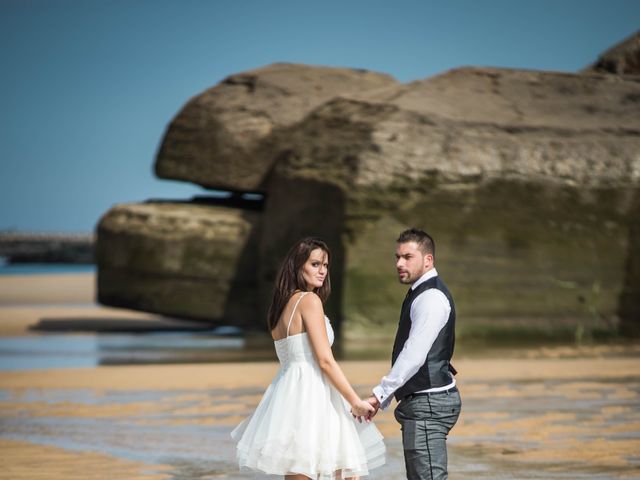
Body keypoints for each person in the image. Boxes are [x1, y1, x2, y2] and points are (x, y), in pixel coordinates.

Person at [231, 237, 385, 479]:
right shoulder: (309, 301)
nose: (322, 271)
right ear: (297, 265)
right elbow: (325, 360)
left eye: (325, 265)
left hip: (288, 397)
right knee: (344, 473)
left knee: (298, 471)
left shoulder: (279, 309)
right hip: (315, 395)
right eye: (315, 264)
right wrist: (354, 401)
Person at [364, 228, 461, 480]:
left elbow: (414, 355)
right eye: (397, 257)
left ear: (428, 260)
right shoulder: (421, 292)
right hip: (425, 401)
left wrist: (380, 394)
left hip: (428, 403)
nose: (398, 263)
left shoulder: (430, 297)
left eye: (408, 257)